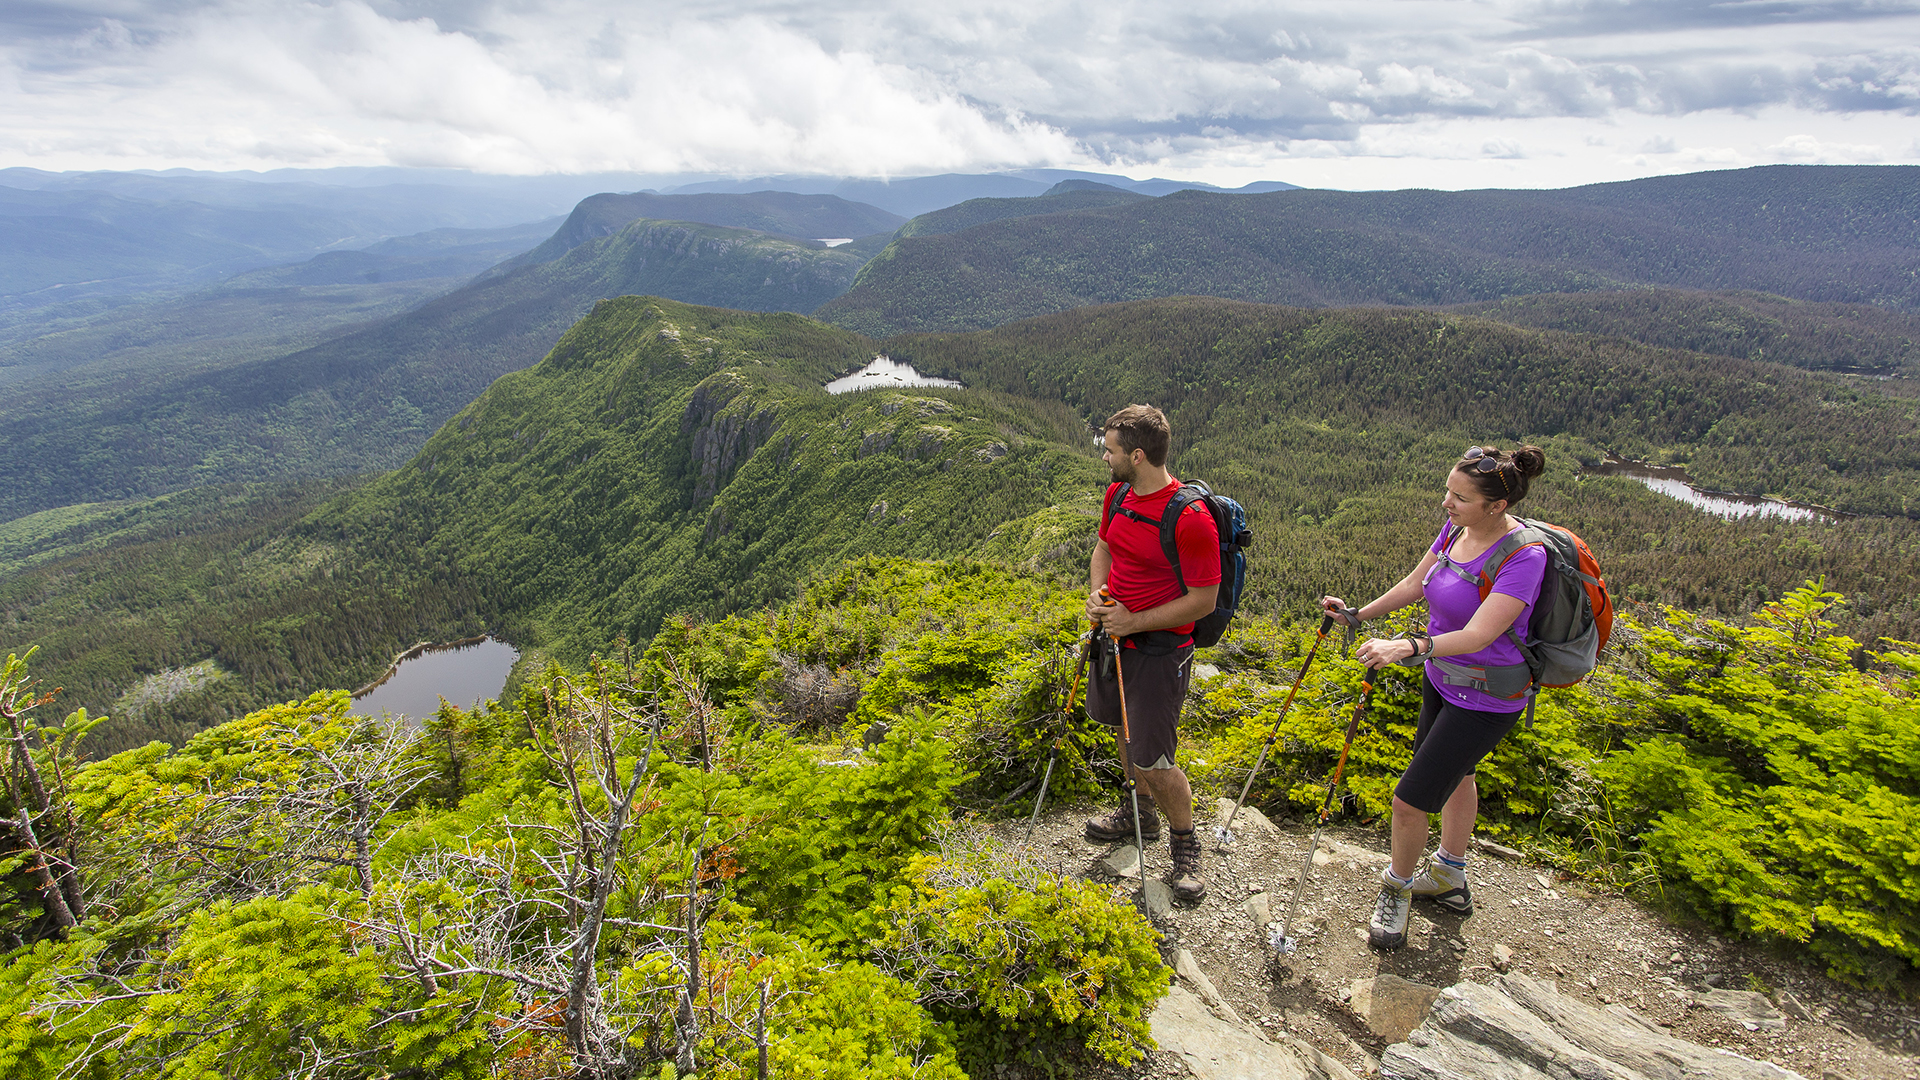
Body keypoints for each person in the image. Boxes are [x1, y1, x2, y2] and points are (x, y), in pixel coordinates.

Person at [1321, 444, 1550, 950]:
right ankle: (1450, 875)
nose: (1447, 503)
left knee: (1408, 802)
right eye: (1448, 490)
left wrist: (1407, 646)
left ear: (1496, 506)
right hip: (1444, 680)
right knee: (1457, 776)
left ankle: (1397, 891)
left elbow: (1480, 635)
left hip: (1487, 698)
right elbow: (1414, 584)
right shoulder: (1456, 530)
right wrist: (1360, 615)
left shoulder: (1523, 557)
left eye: (1460, 497)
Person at [1083, 404, 1220, 902]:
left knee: (1157, 758)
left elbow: (1203, 600)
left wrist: (1133, 620)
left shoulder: (1191, 518)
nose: (1105, 456)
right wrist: (1099, 595)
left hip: (1161, 650)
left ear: (1137, 456)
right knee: (1123, 728)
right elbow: (1104, 549)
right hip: (1115, 639)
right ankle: (1137, 811)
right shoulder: (1118, 494)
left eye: (1111, 449)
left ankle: (1185, 842)